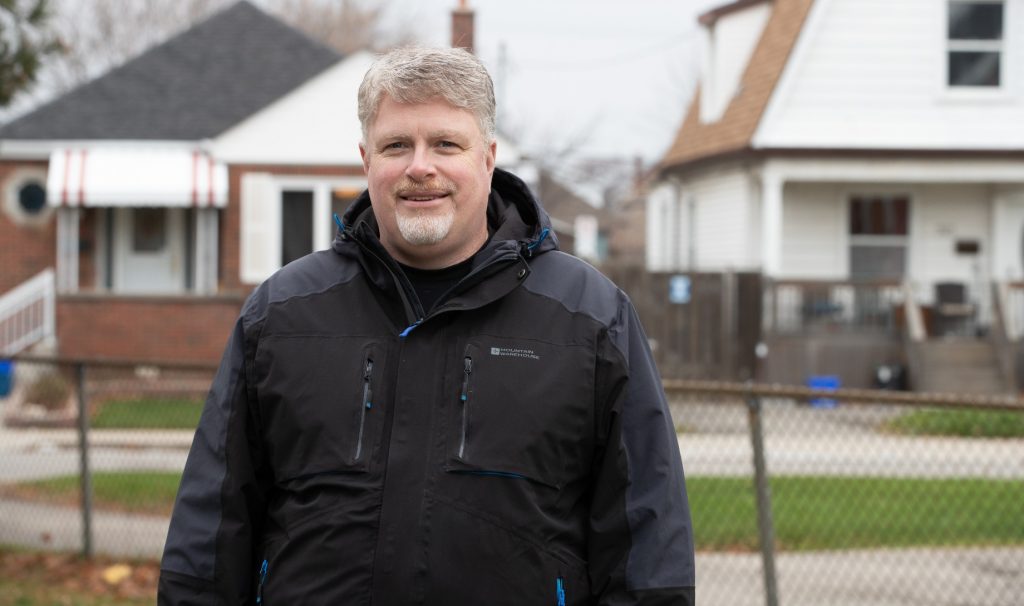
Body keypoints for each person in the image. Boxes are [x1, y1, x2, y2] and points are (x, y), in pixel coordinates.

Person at [158, 46, 694, 605]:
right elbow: (210, 535)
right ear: (366, 160)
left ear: (487, 158)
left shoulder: (590, 318)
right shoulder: (282, 314)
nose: (420, 167)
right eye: (397, 145)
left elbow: (647, 553)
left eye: (445, 144)